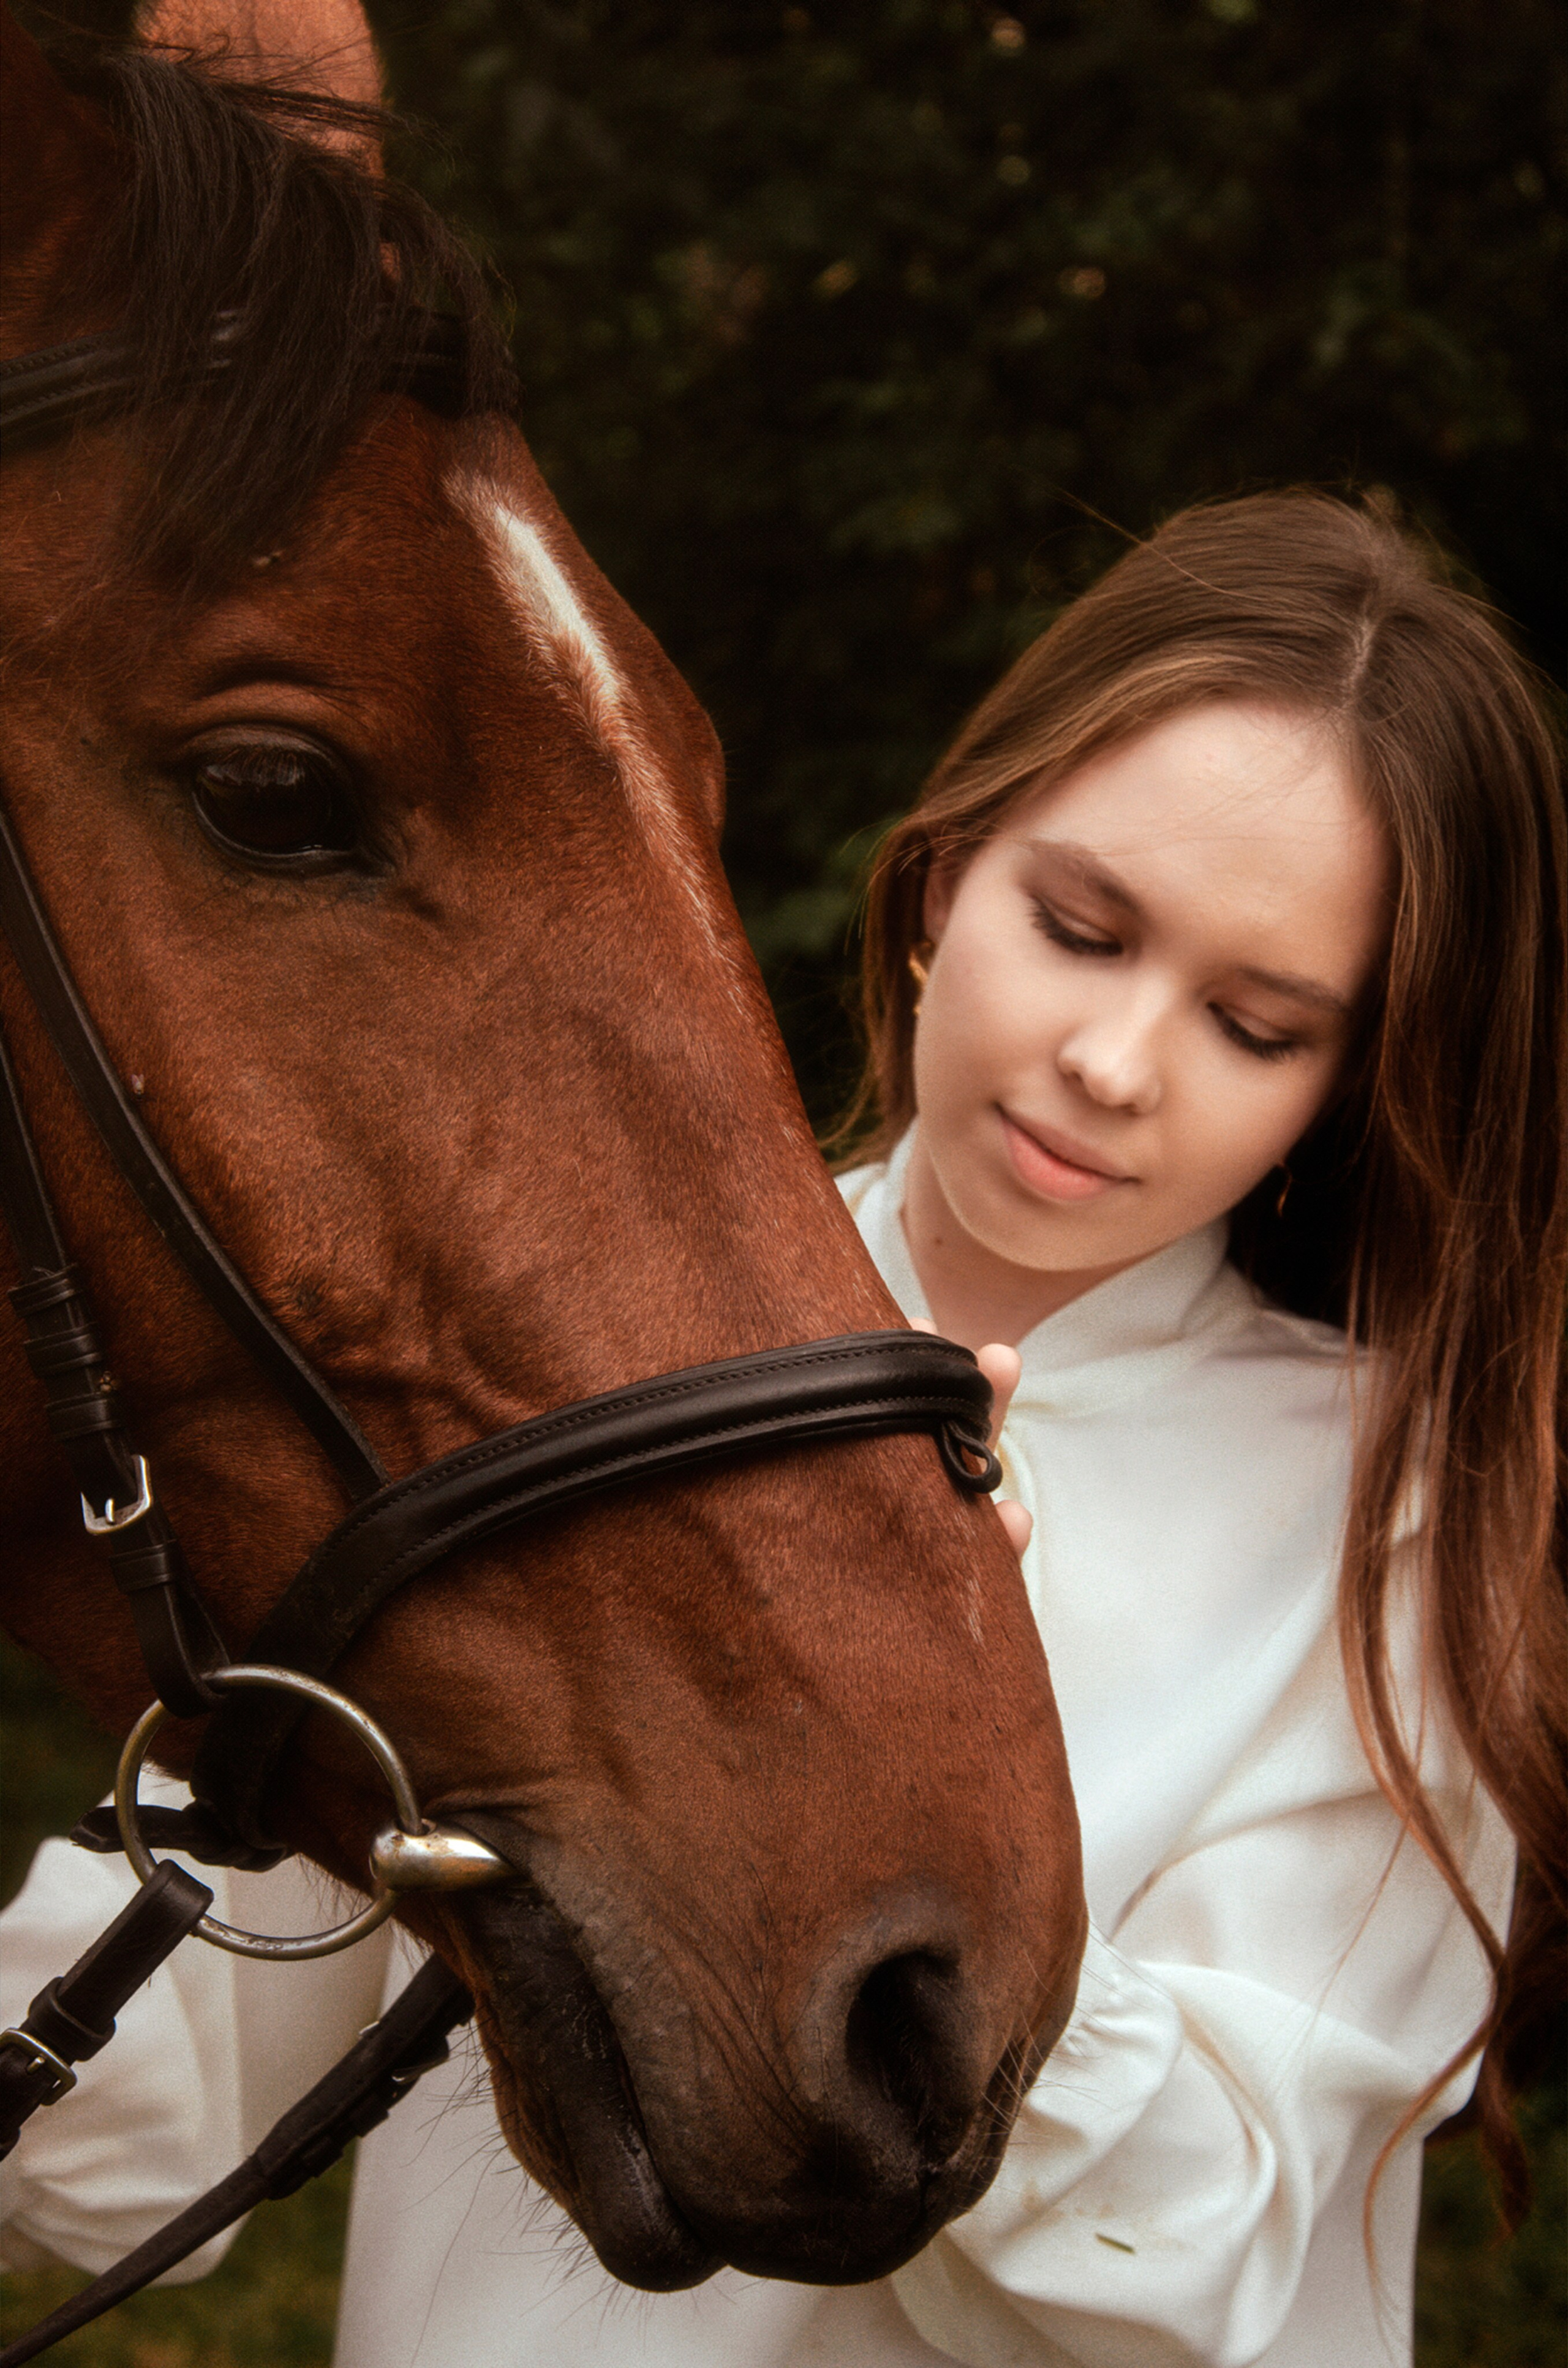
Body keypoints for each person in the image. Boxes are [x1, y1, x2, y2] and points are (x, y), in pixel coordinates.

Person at [2, 490, 1562, 2367]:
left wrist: (920, 1721)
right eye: (1080, 924)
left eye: (1254, 1023)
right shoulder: (570, 1364)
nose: (1115, 1058)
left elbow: (1199, 2266)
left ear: (1342, 1081)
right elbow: (141, 2122)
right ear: (938, 877)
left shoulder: (1385, 1505)